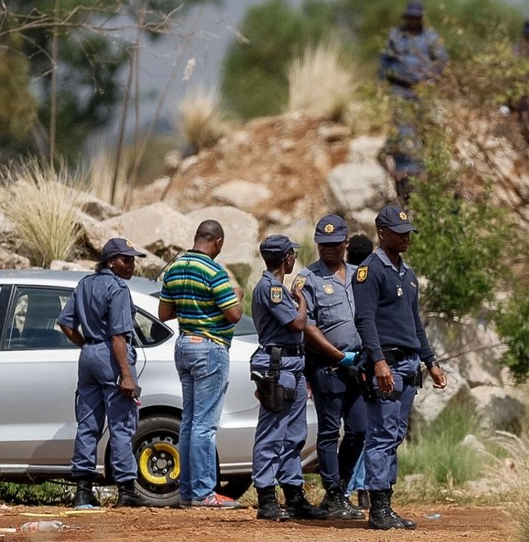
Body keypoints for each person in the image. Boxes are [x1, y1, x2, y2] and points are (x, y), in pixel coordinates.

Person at [353, 205, 447, 530]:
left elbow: (415, 324)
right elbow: (364, 320)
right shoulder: (369, 272)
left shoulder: (407, 275)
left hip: (409, 365)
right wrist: (378, 361)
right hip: (386, 365)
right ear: (382, 233)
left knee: (394, 435)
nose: (406, 237)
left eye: (407, 232)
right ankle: (377, 509)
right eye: (398, 232)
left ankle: (387, 505)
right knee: (380, 435)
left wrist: (431, 362)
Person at [57, 238, 149, 509]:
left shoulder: (85, 283)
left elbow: (65, 323)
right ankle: (126, 489)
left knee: (88, 424)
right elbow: (118, 336)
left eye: (133, 259)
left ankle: (83, 491)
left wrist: (86, 344)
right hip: (112, 355)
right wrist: (127, 375)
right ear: (111, 261)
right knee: (121, 425)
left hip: (89, 356)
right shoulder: (117, 289)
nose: (131, 265)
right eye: (126, 259)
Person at [158, 220, 243, 508]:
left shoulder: (176, 267)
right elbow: (234, 314)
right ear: (217, 242)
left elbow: (164, 312)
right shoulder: (214, 270)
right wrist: (238, 296)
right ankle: (205, 492)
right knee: (205, 425)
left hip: (184, 346)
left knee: (189, 422)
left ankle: (188, 492)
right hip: (209, 348)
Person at [247, 235, 331, 521]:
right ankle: (266, 497)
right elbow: (297, 322)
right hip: (277, 365)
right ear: (286, 259)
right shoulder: (270, 289)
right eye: (292, 254)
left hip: (292, 363)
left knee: (294, 433)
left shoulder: (277, 288)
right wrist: (303, 300)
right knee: (272, 432)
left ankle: (294, 495)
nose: (294, 258)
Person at [295, 215, 367, 519]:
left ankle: (340, 487)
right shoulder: (307, 279)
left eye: (334, 245)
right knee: (328, 431)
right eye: (323, 245)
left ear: (345, 244)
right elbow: (307, 327)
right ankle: (335, 494)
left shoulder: (358, 275)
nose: (328, 250)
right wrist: (338, 356)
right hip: (328, 366)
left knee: (359, 430)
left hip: (359, 365)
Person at [379, 1, 448, 202]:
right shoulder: (396, 36)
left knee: (425, 128)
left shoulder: (431, 38)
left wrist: (430, 80)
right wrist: (383, 82)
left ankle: (426, 171)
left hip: (422, 90)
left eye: (415, 17)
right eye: (409, 16)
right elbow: (385, 61)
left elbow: (442, 61)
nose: (412, 20)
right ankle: (405, 171)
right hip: (399, 88)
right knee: (401, 129)